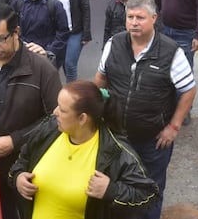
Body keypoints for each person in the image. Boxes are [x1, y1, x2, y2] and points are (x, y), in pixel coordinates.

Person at [95, 0, 197, 219]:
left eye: (140, 17)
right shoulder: (114, 44)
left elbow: (189, 89)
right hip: (117, 137)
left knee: (151, 189)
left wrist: (174, 126)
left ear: (154, 19)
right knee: (118, 186)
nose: (134, 22)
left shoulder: (171, 52)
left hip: (152, 140)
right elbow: (100, 79)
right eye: (130, 17)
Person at [11, 80, 159, 219]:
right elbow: (22, 160)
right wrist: (18, 177)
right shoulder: (49, 129)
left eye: (62, 110)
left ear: (82, 118)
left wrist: (111, 191)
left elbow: (148, 196)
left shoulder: (116, 151)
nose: (55, 112)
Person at [0, 3, 61, 219]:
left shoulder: (42, 70)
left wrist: (15, 141)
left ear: (16, 32)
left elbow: (57, 120)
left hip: (26, 168)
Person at [12, 0, 69, 66]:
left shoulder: (54, 5)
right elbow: (11, 26)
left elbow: (63, 32)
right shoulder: (19, 1)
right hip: (23, 53)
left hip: (45, 56)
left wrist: (48, 51)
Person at [47, 0, 91, 82]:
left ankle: (71, 94)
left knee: (70, 65)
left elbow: (85, 10)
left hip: (74, 32)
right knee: (53, 64)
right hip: (57, 33)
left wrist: (86, 34)